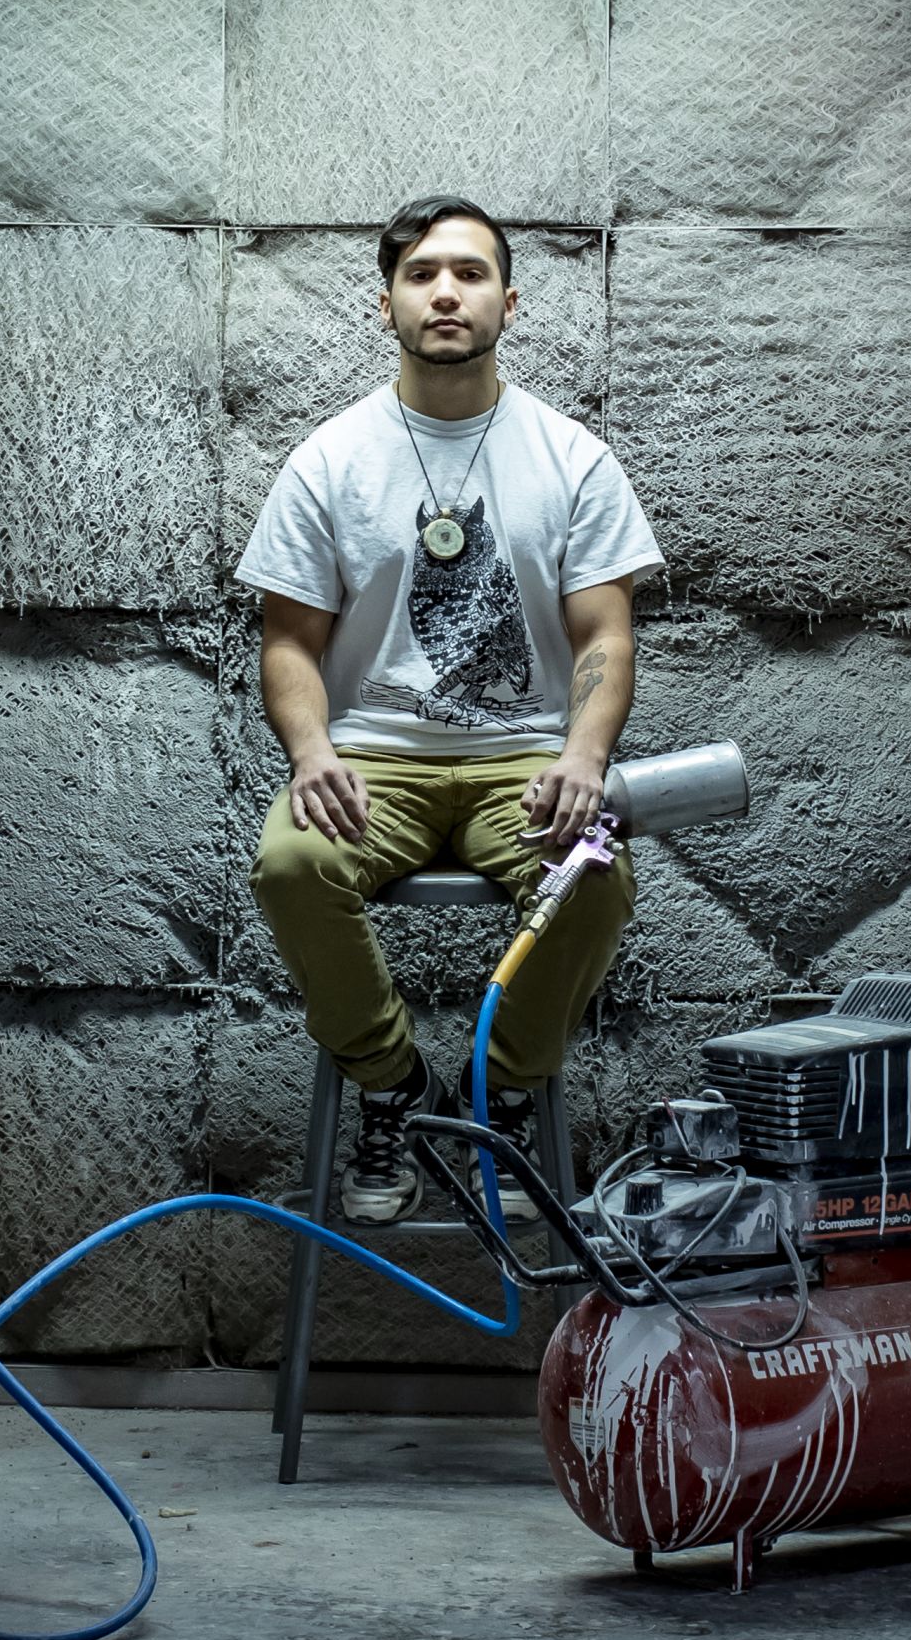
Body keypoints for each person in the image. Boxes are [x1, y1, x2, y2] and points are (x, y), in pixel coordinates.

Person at [236, 196, 663, 1223]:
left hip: (523, 758)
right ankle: (394, 1086)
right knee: (289, 865)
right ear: (385, 304)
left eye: (469, 273)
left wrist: (584, 756)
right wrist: (308, 755)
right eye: (421, 273)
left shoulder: (571, 459)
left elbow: (606, 634)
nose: (445, 291)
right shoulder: (330, 459)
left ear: (507, 303)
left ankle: (499, 1096)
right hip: (372, 758)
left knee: (595, 875)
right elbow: (288, 640)